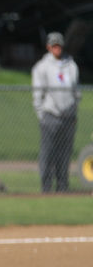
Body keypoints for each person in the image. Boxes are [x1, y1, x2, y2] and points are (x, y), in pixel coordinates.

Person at [31, 32, 81, 193]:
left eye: (59, 45)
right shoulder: (42, 67)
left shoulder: (71, 65)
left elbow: (77, 92)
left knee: (64, 155)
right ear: (48, 47)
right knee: (47, 154)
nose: (57, 48)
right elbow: (38, 95)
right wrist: (42, 115)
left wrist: (74, 111)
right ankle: (46, 188)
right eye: (54, 45)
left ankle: (62, 187)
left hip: (68, 117)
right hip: (50, 116)